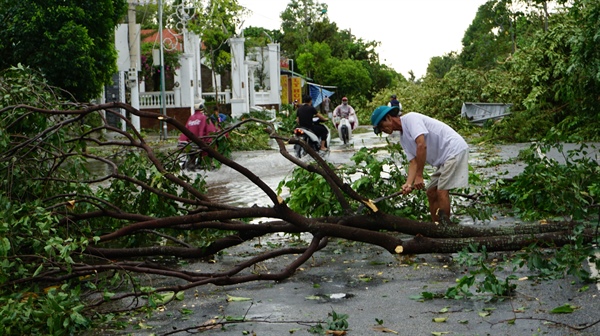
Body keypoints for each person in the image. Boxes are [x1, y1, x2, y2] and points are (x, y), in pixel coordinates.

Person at [370, 105, 469, 223]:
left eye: (382, 126)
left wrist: (419, 176)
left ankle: (446, 228)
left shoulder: (411, 119)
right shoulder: (403, 139)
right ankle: (435, 225)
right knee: (431, 192)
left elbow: (421, 145)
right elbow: (413, 162)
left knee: (441, 191)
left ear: (388, 118)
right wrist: (408, 183)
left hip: (453, 150)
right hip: (443, 159)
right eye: (381, 130)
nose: (383, 130)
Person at [178, 104, 211, 171]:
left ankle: (191, 165)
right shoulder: (203, 117)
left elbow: (186, 129)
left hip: (185, 143)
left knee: (192, 156)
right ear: (202, 110)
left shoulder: (191, 117)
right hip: (196, 143)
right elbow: (203, 131)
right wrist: (204, 141)